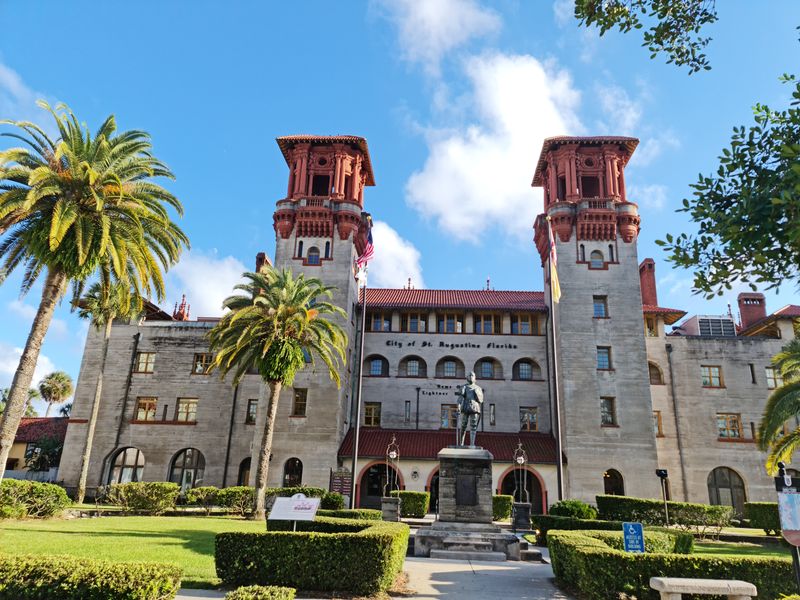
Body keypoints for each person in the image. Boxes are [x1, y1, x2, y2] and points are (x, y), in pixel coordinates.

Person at [455, 371, 484, 446]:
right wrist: (458, 406)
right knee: (463, 425)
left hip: (475, 408)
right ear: (467, 378)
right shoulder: (464, 387)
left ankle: (472, 444)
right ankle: (461, 443)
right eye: (469, 375)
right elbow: (460, 397)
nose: (471, 376)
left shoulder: (478, 388)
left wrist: (477, 393)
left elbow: (481, 400)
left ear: (475, 378)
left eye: (472, 375)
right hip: (465, 407)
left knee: (473, 425)